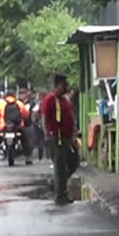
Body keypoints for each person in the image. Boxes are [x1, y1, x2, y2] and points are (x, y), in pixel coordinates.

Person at [42, 74, 78, 206]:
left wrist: (74, 133)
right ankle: (60, 194)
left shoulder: (65, 100)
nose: (66, 87)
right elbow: (44, 117)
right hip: (56, 137)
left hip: (67, 137)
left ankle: (57, 183)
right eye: (64, 85)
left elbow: (71, 117)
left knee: (73, 162)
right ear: (57, 86)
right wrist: (46, 133)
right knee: (60, 166)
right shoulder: (50, 99)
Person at [0, 90, 30, 167]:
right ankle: (27, 158)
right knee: (24, 140)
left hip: (4, 127)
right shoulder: (19, 104)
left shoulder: (1, 104)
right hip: (17, 127)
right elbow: (26, 115)